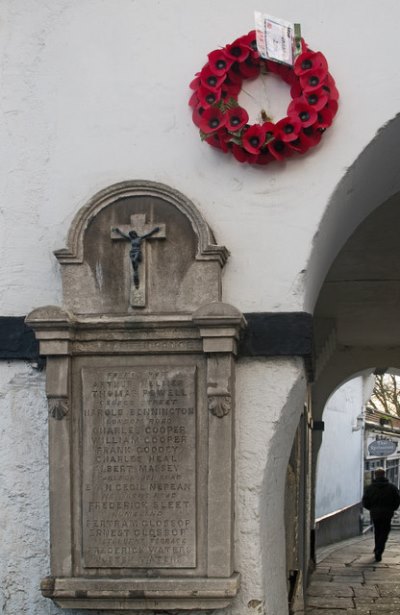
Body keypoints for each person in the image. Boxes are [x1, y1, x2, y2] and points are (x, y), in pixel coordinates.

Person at [362, 467, 400, 561]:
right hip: (387, 513)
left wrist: (371, 508)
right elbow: (397, 500)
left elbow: (365, 501)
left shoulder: (370, 488)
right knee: (384, 532)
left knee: (377, 531)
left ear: (375, 475)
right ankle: (379, 549)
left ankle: (377, 548)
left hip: (375, 513)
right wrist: (392, 508)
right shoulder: (392, 487)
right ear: (384, 475)